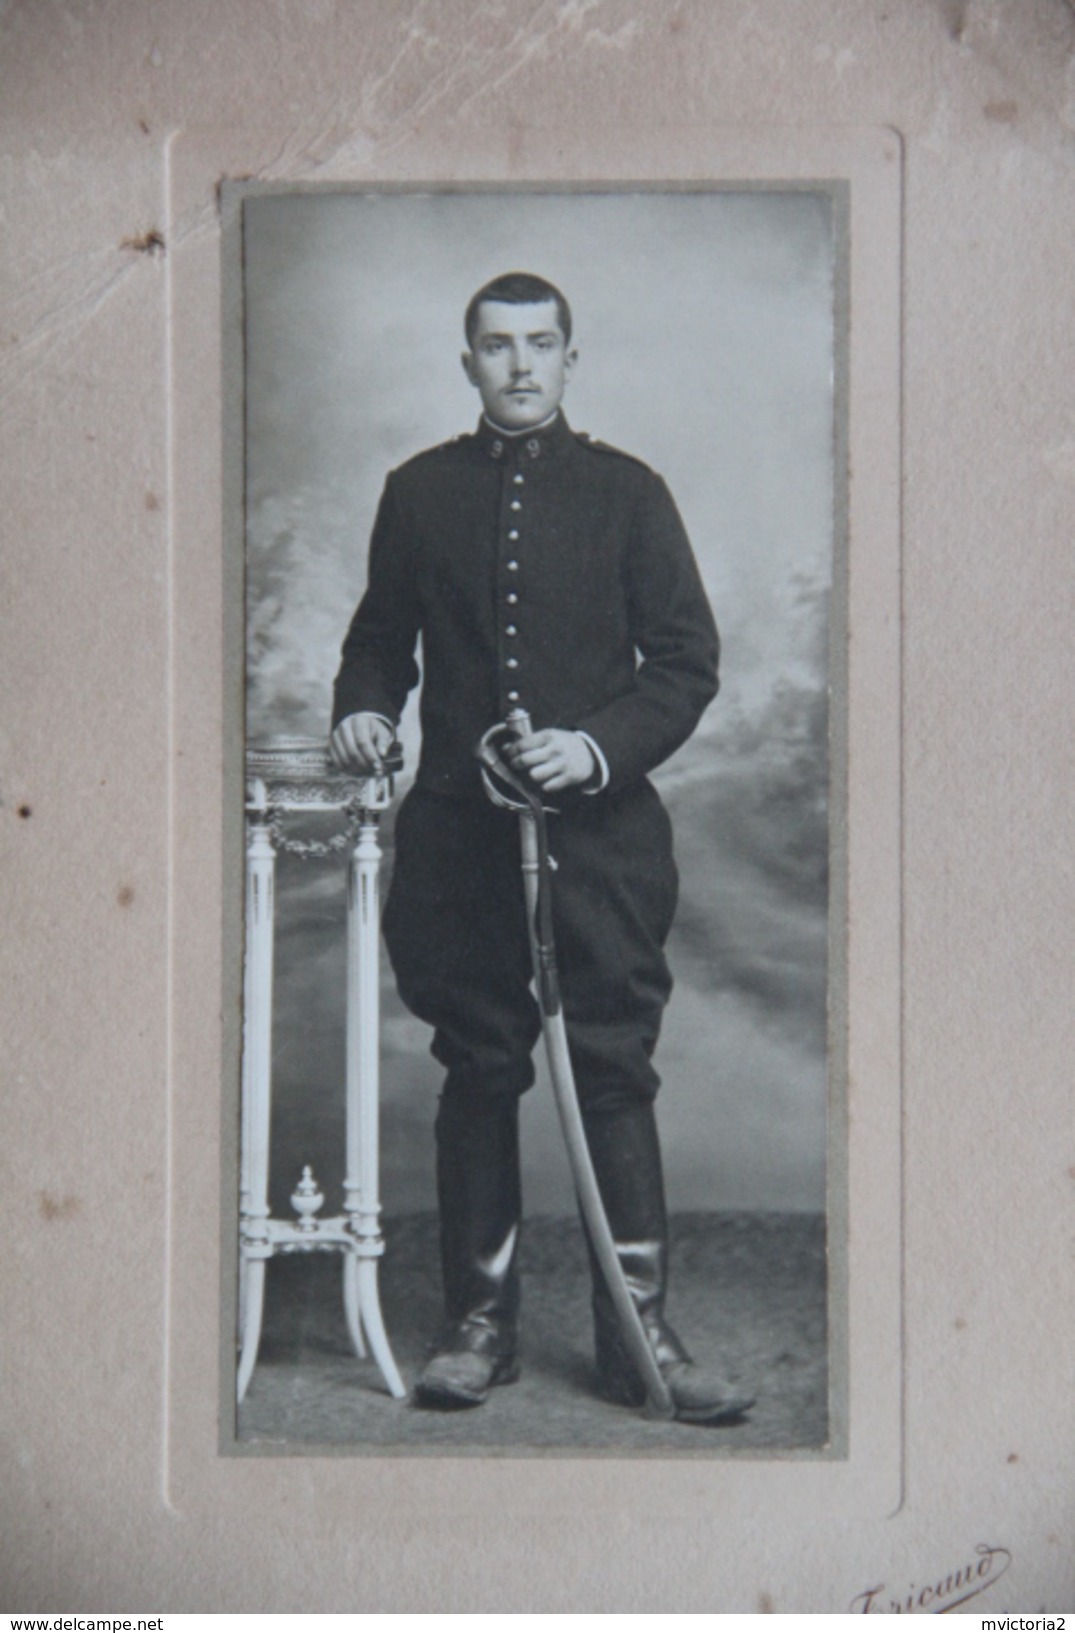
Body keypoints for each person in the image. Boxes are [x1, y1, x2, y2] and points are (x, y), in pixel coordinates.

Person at [329, 271, 754, 1424]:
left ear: (571, 357)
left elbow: (684, 663)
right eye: (496, 346)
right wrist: (363, 707)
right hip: (460, 841)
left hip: (603, 842)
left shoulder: (628, 494)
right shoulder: (416, 493)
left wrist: (596, 749)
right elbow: (379, 642)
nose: (520, 365)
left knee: (610, 1064)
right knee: (479, 1063)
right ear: (465, 361)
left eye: (541, 344)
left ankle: (640, 1337)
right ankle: (479, 1326)